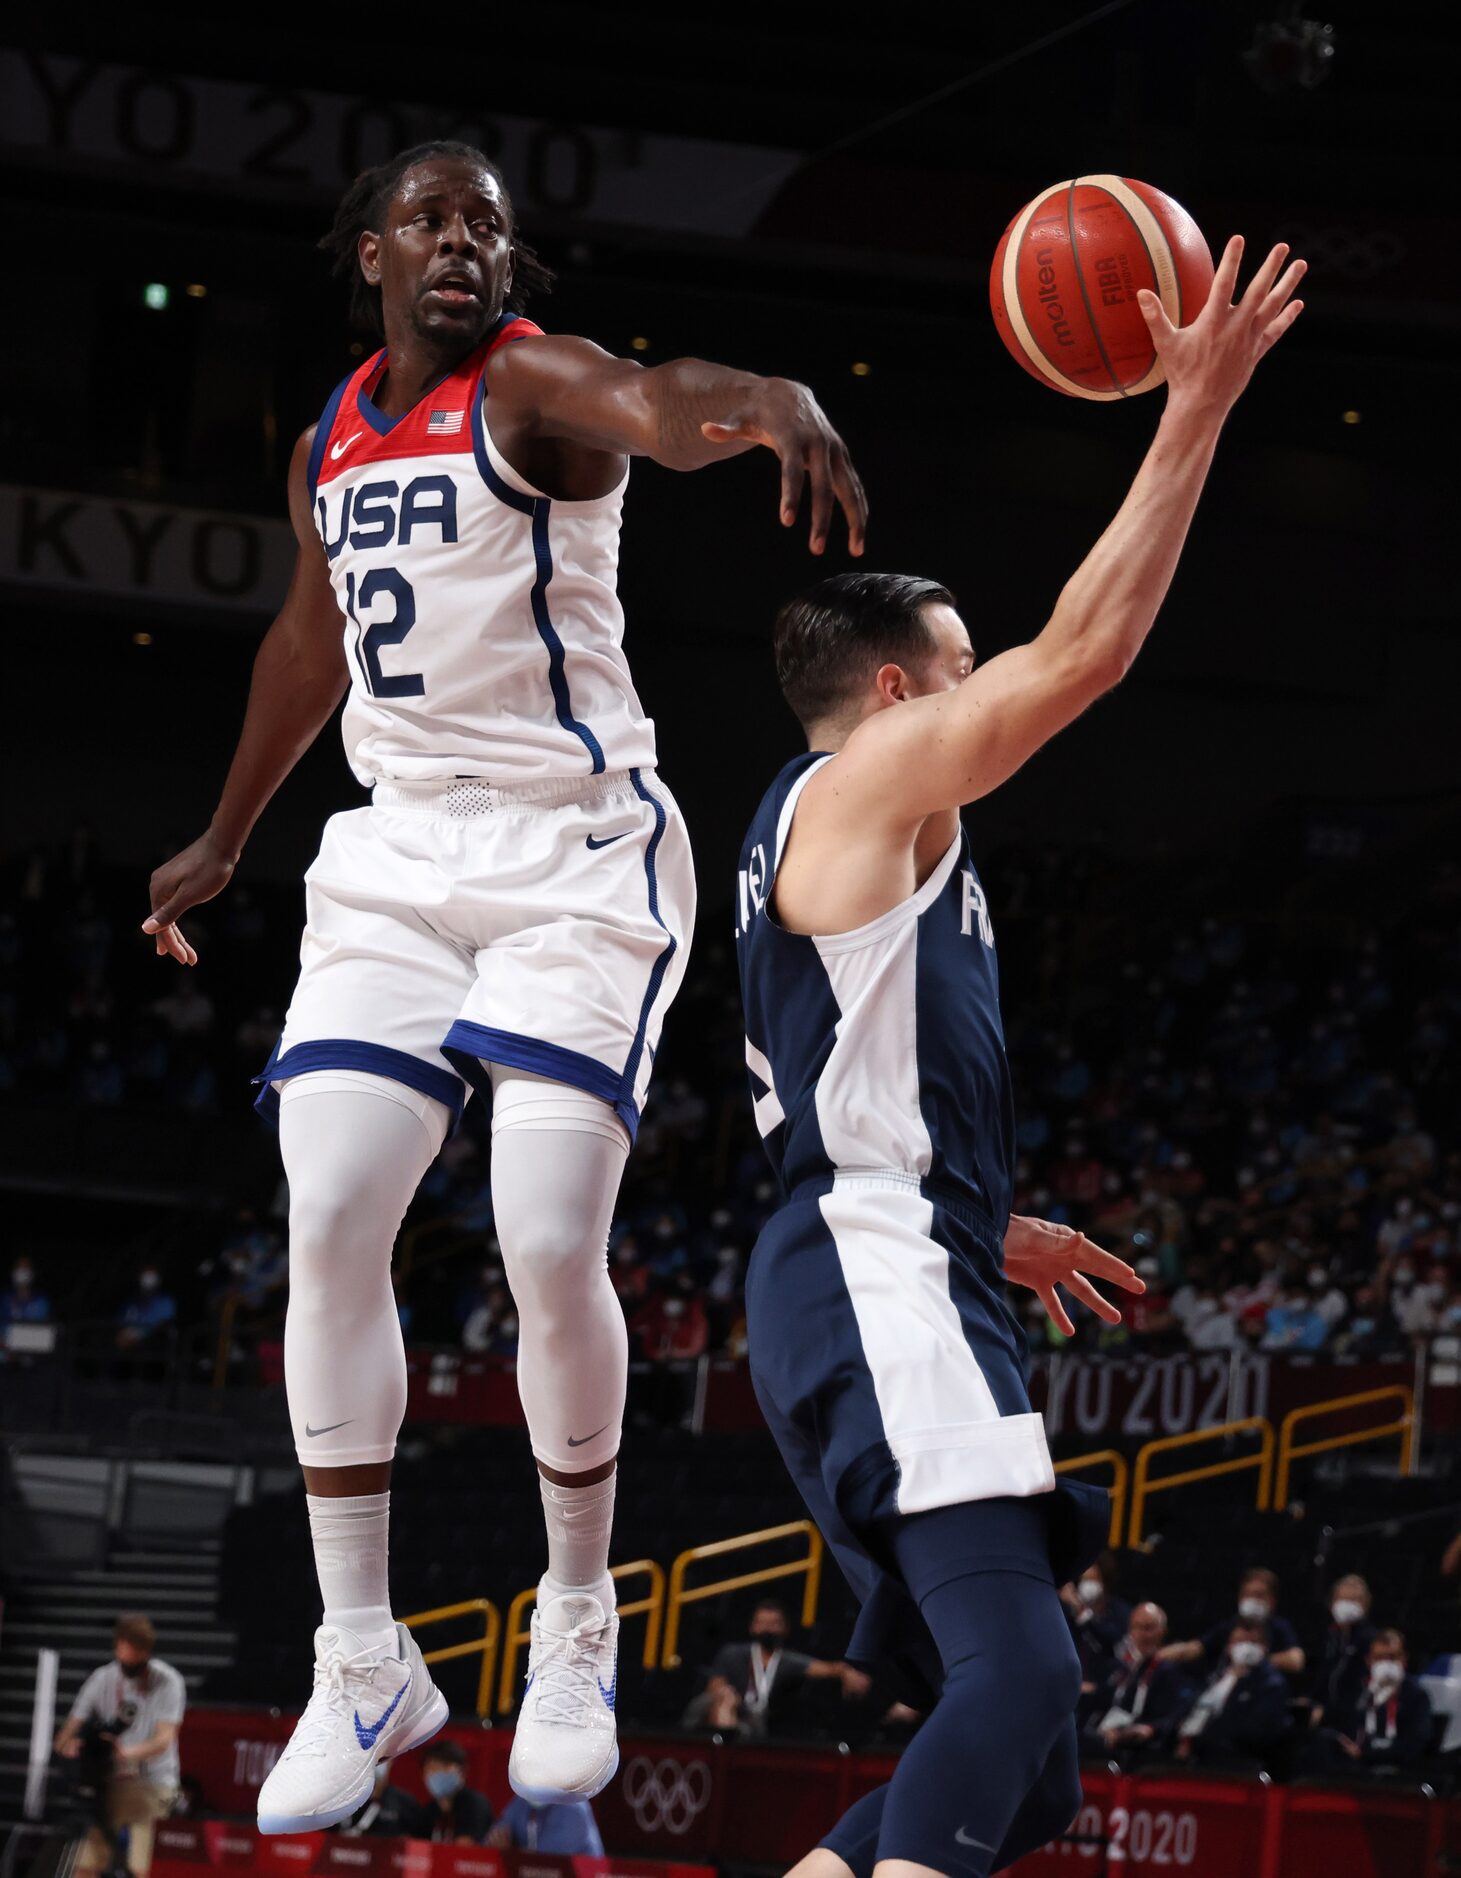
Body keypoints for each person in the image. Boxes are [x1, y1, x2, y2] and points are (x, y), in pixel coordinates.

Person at [141, 140, 865, 1831]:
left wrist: (770, 396)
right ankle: (361, 1650)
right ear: (370, 251)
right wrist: (226, 833)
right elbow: (310, 638)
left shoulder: (527, 380)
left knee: (545, 1231)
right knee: (326, 1211)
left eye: (489, 222)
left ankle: (576, 1614)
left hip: (574, 848)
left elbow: (658, 399)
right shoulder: (330, 428)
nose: (464, 242)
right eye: (432, 221)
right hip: (395, 851)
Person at [733, 234, 1304, 1876]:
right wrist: (1191, 406)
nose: (997, 706)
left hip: (883, 1260)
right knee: (1025, 1668)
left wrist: (989, 1222)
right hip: (873, 1278)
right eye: (966, 678)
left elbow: (832, 1103)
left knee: (1036, 1766)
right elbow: (1090, 653)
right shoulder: (859, 789)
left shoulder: (860, 850)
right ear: (901, 692)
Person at [54, 1615, 186, 1876]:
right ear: (116, 1648)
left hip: (152, 1780)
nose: (128, 1667)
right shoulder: (101, 1678)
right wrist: (70, 1746)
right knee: (85, 1863)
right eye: (124, 1660)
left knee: (141, 1862)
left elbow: (164, 1738)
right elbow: (65, 1735)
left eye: (135, 1662)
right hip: (107, 1782)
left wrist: (125, 1753)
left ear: (147, 1653)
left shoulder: (169, 1681)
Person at [682, 1598, 868, 1737]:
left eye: (774, 1624)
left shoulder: (787, 1660)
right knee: (723, 1699)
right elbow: (714, 1686)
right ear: (752, 1627)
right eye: (762, 1623)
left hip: (753, 1722)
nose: (767, 1629)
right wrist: (729, 1697)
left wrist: (847, 1672)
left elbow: (826, 1668)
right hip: (721, 1708)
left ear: (785, 1628)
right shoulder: (732, 1653)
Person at [1303, 1630, 1433, 1776]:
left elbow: (1415, 1743)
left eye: (1392, 1657)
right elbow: (1341, 1724)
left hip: (1398, 1771)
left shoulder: (1416, 1696)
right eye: (1379, 1658)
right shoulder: (1357, 1692)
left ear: (1404, 1660)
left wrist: (1366, 1754)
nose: (1386, 1664)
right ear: (1369, 1661)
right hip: (1353, 1767)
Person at [1173, 1619, 1291, 1768]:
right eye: (1239, 1641)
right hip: (1187, 1752)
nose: (1245, 1647)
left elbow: (1256, 1733)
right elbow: (1185, 1710)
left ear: (1265, 1647)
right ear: (1229, 1647)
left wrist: (1200, 1740)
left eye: (1252, 1642)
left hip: (1231, 1760)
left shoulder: (1271, 1684)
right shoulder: (1214, 1677)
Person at [1082, 1603, 1191, 1764]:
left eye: (1148, 1628)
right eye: (1136, 1628)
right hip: (1104, 1735)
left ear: (1162, 1632)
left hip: (1136, 1746)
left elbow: (1176, 1713)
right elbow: (1104, 1698)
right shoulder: (1121, 1669)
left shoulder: (1169, 1671)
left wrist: (1151, 1729)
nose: (1141, 1634)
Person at [1161, 1567, 1305, 1678]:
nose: (1252, 1600)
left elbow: (1296, 1661)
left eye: (1259, 1595)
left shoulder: (1279, 1627)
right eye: (1247, 1595)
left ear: (1272, 1601)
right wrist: (1157, 1656)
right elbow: (1195, 1648)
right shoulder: (1229, 1626)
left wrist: (1255, 1658)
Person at [1309, 1573, 1377, 1732]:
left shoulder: (1370, 1639)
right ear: (1333, 1603)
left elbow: (1362, 1688)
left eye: (1353, 1600)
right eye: (1343, 1599)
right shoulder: (1331, 1637)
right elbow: (1322, 1675)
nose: (1347, 1605)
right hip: (1324, 1712)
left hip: (1351, 1717)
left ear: (1365, 1605)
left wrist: (1327, 1713)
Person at [1059, 1556, 1130, 1698]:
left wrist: (1081, 1611)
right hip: (1071, 1684)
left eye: (1092, 1580)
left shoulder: (1118, 1611)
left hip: (1103, 1688)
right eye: (1084, 1580)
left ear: (1105, 1582)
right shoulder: (1067, 1612)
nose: (1087, 1586)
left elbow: (1110, 1641)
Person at [418, 1740, 494, 1843]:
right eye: (432, 1768)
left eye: (444, 1766)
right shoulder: (428, 1811)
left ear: (462, 1771)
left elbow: (465, 1847)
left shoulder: (475, 1805)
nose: (437, 1772)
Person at [490, 1796, 604, 1853]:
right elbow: (494, 1838)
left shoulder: (573, 1807)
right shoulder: (521, 1800)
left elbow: (545, 1863)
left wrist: (509, 1853)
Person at [342, 1760, 425, 1837]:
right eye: (373, 1759)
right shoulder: (346, 1799)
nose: (377, 1763)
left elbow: (419, 1840)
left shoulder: (404, 1803)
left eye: (382, 1759)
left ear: (390, 1762)